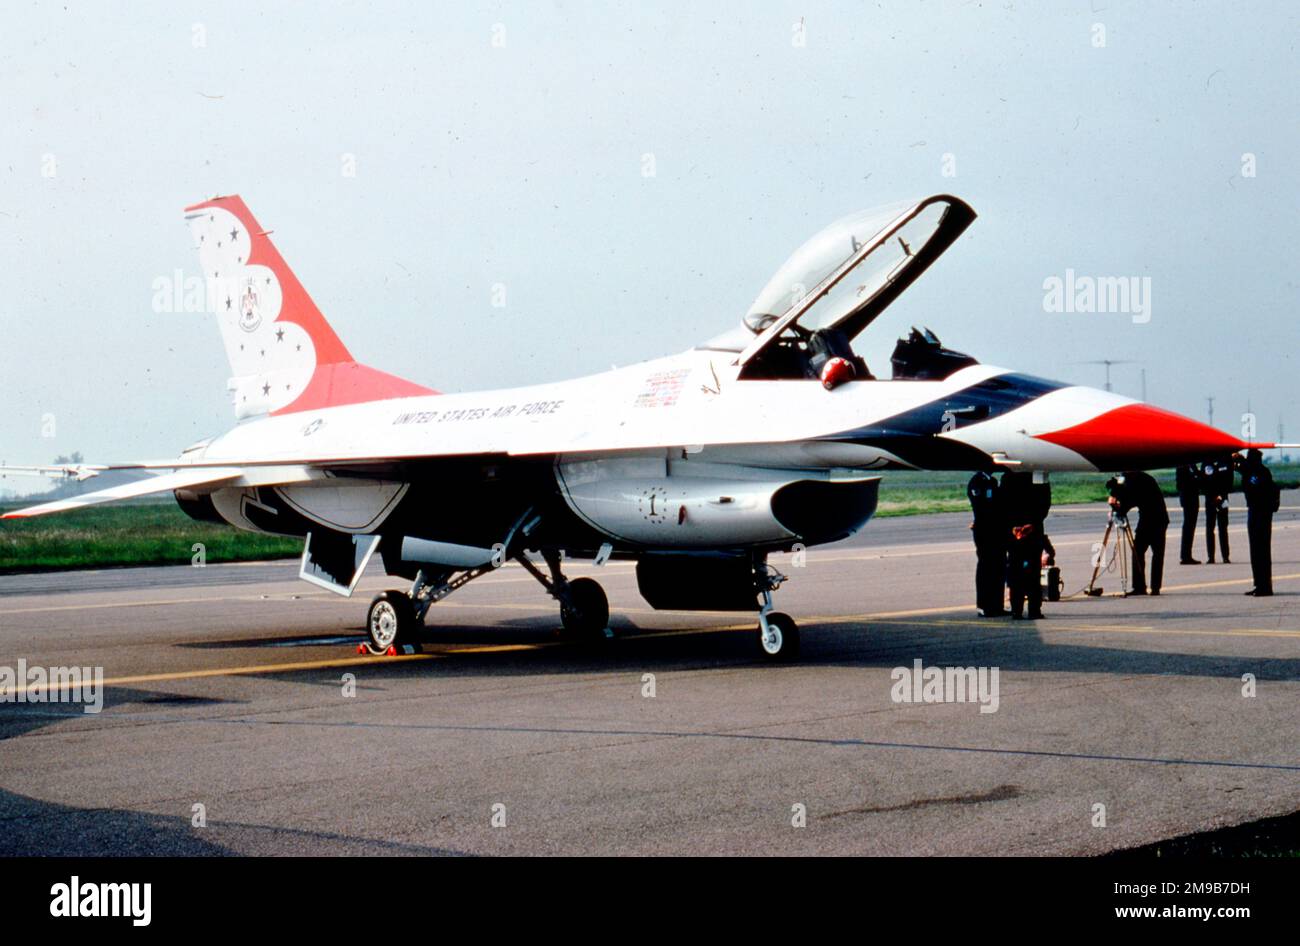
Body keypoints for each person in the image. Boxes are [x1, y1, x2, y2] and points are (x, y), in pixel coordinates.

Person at [1110, 470, 1169, 596]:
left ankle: (1154, 587)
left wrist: (1120, 509)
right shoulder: (1135, 478)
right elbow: (1127, 495)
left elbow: (1132, 498)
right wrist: (1116, 495)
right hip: (1146, 518)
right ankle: (1140, 586)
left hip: (1157, 519)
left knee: (1156, 553)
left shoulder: (1139, 480)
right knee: (1138, 551)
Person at [1001, 471, 1051, 619]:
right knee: (1032, 572)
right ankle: (1034, 609)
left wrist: (1013, 526)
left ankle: (1017, 609)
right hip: (1032, 531)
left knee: (1016, 571)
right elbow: (1045, 502)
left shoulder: (1007, 478)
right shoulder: (1037, 474)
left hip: (1015, 532)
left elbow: (1002, 505)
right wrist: (1033, 524)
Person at [1237, 449, 1279, 597]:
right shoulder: (1253, 471)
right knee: (1255, 551)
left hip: (1261, 514)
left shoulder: (1260, 473)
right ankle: (1258, 584)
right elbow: (1240, 467)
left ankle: (1265, 587)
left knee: (1261, 551)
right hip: (1254, 513)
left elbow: (1247, 472)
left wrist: (1240, 461)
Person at [967, 470, 1006, 616]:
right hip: (984, 530)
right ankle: (984, 606)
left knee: (998, 567)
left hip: (996, 530)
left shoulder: (992, 481)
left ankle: (997, 605)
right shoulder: (976, 482)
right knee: (986, 567)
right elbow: (981, 505)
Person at [1202, 458, 1233, 564]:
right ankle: (1211, 557)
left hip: (1223, 499)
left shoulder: (1226, 462)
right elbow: (1203, 480)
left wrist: (1221, 495)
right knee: (1210, 528)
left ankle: (1225, 556)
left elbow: (1229, 481)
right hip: (1210, 499)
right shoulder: (1206, 463)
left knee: (1223, 527)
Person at [1175, 464, 1201, 563]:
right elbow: (1181, 484)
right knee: (1188, 526)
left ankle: (1186, 554)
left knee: (1190, 526)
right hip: (1188, 498)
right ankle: (1185, 555)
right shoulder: (1183, 466)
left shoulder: (1190, 465)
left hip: (1191, 498)